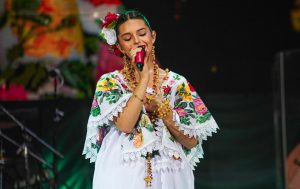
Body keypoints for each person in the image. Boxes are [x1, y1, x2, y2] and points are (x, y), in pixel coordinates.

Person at [82, 10, 219, 189]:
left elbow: (191, 141)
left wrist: (163, 109)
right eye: (127, 38)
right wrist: (144, 77)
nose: (137, 41)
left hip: (170, 173)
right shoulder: (109, 83)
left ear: (152, 36)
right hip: (122, 172)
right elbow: (125, 125)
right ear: (120, 46)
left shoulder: (177, 83)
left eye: (142, 34)